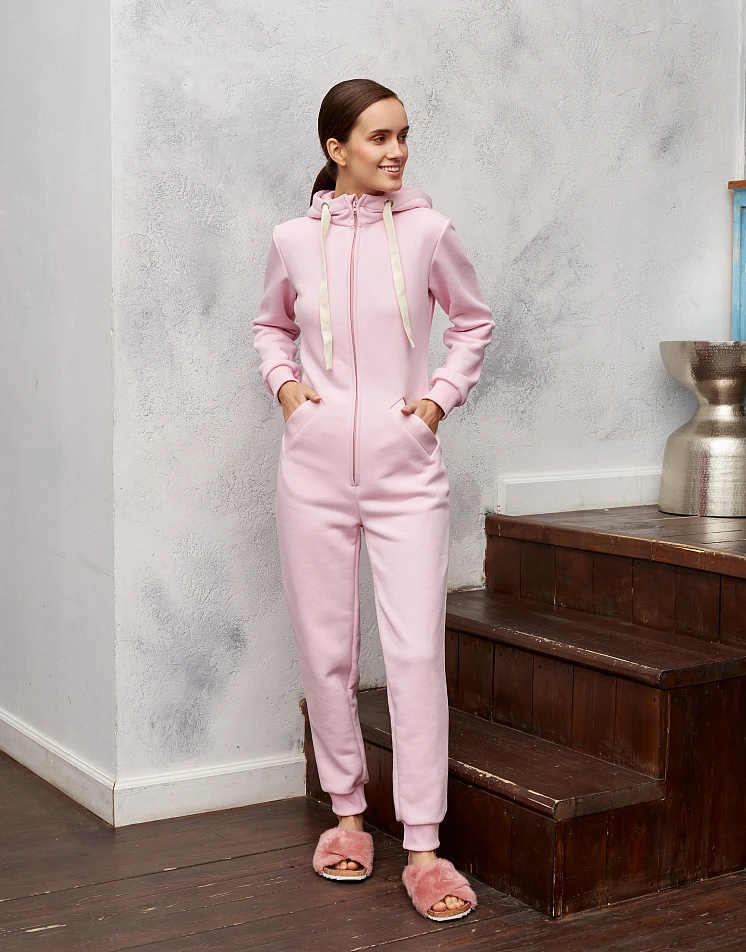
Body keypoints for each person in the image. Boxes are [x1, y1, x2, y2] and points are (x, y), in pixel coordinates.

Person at [252, 78, 494, 921]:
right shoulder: (293, 239)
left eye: (403, 136)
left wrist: (434, 404)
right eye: (379, 138)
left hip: (405, 473)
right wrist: (289, 391)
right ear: (337, 149)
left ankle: (423, 846)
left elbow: (473, 322)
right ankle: (348, 816)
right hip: (313, 473)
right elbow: (270, 326)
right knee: (327, 651)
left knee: (415, 654)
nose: (397, 151)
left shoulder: (428, 232)